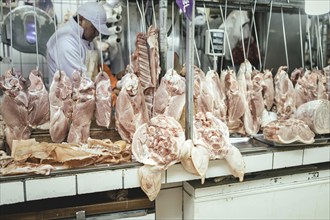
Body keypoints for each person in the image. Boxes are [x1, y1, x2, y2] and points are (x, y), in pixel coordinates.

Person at [46, 2, 110, 83]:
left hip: (87, 92)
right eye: (94, 28)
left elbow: (98, 69)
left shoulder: (87, 38)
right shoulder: (65, 42)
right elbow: (80, 82)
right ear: (81, 20)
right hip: (68, 94)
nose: (97, 33)